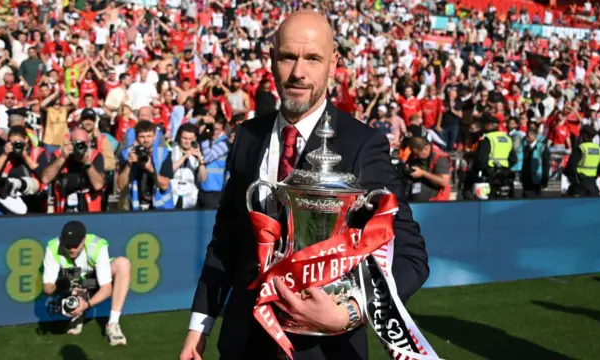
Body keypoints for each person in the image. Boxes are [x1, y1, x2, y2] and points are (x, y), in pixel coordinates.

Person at [180, 10, 429, 360]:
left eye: (312, 58)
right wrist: (199, 325)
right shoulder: (248, 136)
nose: (298, 72)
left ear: (333, 63)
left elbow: (411, 256)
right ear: (271, 60)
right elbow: (227, 239)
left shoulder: (362, 143)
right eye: (288, 57)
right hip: (242, 344)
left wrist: (350, 311)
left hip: (324, 349)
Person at [42, 221, 130, 346]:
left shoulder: (97, 245)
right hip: (71, 281)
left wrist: (87, 305)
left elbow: (106, 288)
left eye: (75, 245)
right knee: (66, 277)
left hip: (93, 280)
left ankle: (113, 323)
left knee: (123, 264)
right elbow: (47, 287)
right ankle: (76, 312)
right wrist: (63, 288)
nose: (71, 249)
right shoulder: (52, 248)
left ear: (83, 240)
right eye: (68, 245)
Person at [41, 128, 106, 213]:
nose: (80, 147)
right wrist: (62, 158)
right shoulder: (60, 155)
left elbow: (98, 185)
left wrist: (87, 163)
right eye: (76, 143)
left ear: (89, 143)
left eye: (83, 144)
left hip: (89, 213)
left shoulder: (95, 156)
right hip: (63, 212)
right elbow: (45, 179)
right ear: (70, 143)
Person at [117, 120, 174, 211]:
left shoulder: (163, 154)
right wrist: (128, 165)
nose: (146, 140)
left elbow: (165, 185)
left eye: (149, 136)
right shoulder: (128, 154)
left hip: (160, 208)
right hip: (136, 208)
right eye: (142, 137)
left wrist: (149, 168)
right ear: (136, 137)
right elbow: (121, 185)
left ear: (155, 136)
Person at [470, 114, 518, 199]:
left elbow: (481, 159)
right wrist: (504, 168)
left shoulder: (488, 138)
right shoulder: (507, 137)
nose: (481, 127)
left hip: (490, 176)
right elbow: (514, 159)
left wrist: (480, 171)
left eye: (483, 124)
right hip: (505, 176)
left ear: (488, 125)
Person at [171, 123, 206, 209]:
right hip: (172, 194)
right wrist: (184, 157)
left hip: (190, 197)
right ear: (179, 137)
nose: (187, 141)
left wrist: (201, 162)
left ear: (195, 139)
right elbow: (167, 171)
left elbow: (203, 179)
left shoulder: (198, 152)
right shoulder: (171, 150)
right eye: (185, 138)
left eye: (191, 139)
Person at [406, 136, 452, 202]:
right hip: (417, 198)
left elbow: (444, 181)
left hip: (434, 202)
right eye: (415, 155)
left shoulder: (440, 158)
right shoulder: (416, 155)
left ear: (426, 148)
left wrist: (423, 173)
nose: (417, 157)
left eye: (418, 154)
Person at [564, 125, 600, 197]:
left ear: (585, 136)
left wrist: (569, 175)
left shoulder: (581, 148)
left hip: (580, 185)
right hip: (593, 185)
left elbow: (571, 167)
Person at [521, 128, 550, 197]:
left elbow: (546, 165)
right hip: (526, 180)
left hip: (537, 179)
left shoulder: (542, 147)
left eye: (528, 136)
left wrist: (545, 179)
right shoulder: (526, 148)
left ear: (534, 136)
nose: (526, 138)